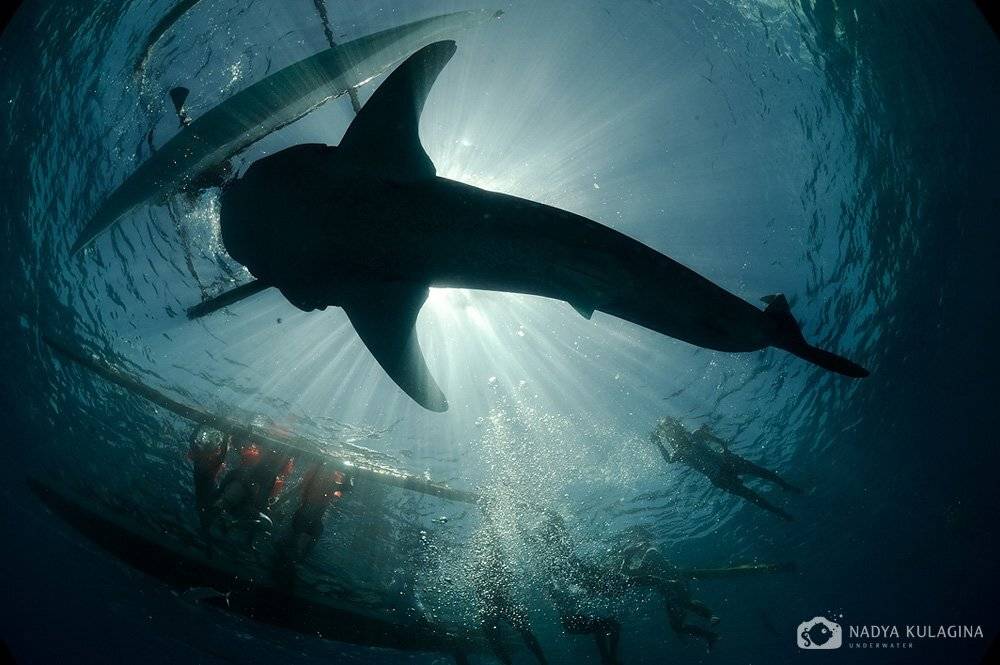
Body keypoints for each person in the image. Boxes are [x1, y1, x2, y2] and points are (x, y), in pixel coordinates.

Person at [649, 417, 801, 521]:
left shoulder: (691, 439)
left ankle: (784, 492)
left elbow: (720, 442)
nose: (674, 434)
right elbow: (669, 459)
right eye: (670, 433)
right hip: (721, 474)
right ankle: (780, 505)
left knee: (756, 485)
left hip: (723, 469)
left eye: (674, 430)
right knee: (752, 492)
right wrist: (658, 443)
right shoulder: (681, 450)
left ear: (678, 429)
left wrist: (725, 452)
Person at [529, 511, 622, 665]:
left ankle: (607, 658)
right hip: (570, 621)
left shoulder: (562, 563)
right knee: (611, 626)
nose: (567, 541)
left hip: (572, 619)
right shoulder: (555, 565)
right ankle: (610, 659)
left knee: (600, 627)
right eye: (562, 537)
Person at [470, 517, 548, 665]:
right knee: (519, 631)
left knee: (499, 635)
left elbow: (485, 585)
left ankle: (540, 661)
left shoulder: (487, 561)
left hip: (495, 603)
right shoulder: (489, 561)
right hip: (498, 602)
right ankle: (541, 661)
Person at [623, 546, 719, 651]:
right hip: (668, 591)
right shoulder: (646, 560)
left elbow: (633, 571)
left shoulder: (650, 552)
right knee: (677, 626)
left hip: (676, 583)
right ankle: (709, 635)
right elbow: (627, 572)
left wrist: (629, 554)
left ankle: (710, 616)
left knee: (686, 602)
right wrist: (627, 557)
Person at [187, 426, 229, 533]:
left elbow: (192, 439)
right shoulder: (204, 456)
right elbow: (223, 452)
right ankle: (208, 528)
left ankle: (207, 528)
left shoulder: (200, 455)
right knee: (209, 509)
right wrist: (226, 435)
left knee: (207, 508)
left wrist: (199, 425)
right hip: (208, 491)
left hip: (206, 491)